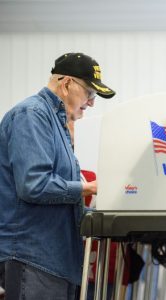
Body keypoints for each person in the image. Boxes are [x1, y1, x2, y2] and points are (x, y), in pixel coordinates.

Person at [0, 52, 115, 299]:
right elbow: (34, 185)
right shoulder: (32, 115)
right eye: (90, 93)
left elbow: (62, 201)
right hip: (34, 259)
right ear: (66, 84)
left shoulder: (57, 124)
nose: (92, 102)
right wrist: (90, 188)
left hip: (55, 262)